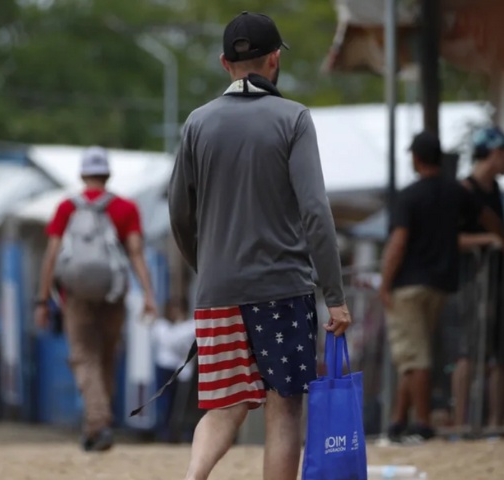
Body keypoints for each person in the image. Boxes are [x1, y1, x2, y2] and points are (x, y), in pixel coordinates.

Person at [167, 11, 352, 480]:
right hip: (282, 290)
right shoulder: (293, 119)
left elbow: (179, 214)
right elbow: (315, 210)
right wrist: (335, 296)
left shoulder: (196, 124)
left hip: (218, 291)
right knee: (285, 407)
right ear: (274, 60)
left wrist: (205, 267)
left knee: (224, 407)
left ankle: (193, 477)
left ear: (224, 63)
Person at [379, 130, 504, 443]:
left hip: (408, 285)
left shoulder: (408, 195)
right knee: (413, 353)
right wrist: (498, 235)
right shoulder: (454, 191)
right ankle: (397, 421)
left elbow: (398, 242)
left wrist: (385, 280)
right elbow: (486, 215)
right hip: (440, 285)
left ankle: (421, 423)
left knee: (414, 356)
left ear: (416, 158)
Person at [34, 146, 158, 452]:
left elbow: (51, 255)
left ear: (82, 175)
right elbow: (136, 253)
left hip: (75, 295)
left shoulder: (66, 207)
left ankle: (98, 423)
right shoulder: (126, 208)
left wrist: (42, 300)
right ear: (107, 174)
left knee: (83, 355)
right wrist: (148, 294)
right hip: (114, 293)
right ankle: (97, 425)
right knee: (106, 356)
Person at [451, 126, 504, 433]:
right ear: (494, 154)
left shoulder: (494, 191)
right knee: (467, 351)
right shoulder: (464, 191)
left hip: (494, 282)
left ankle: (495, 420)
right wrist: (488, 239)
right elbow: (452, 239)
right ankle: (461, 422)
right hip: (471, 282)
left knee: (496, 352)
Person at [151, 301, 196, 443]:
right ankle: (163, 431)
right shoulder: (162, 326)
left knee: (178, 402)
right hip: (164, 368)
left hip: (179, 369)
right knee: (164, 401)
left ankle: (175, 431)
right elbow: (170, 340)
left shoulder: (187, 326)